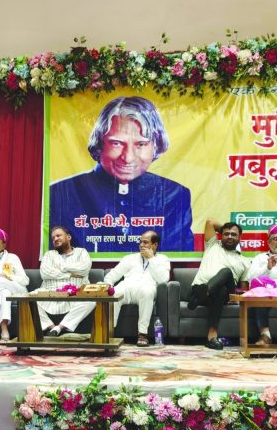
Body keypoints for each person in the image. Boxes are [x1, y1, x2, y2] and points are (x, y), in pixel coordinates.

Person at [48, 96, 193, 252]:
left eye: (141, 144)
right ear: (99, 143)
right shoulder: (60, 193)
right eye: (116, 143)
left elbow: (179, 255)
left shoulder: (175, 194)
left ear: (155, 146)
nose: (128, 157)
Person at [189, 218, 251, 350]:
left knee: (226, 272)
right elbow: (210, 221)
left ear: (239, 238)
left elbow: (244, 288)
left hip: (227, 294)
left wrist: (238, 300)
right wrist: (226, 228)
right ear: (221, 235)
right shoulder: (212, 245)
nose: (230, 236)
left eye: (233, 234)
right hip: (199, 289)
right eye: (226, 234)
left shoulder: (245, 261)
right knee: (220, 290)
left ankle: (204, 292)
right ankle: (212, 337)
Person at [100, 230, 171, 347]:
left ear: (154, 245)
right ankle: (109, 332)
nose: (141, 245)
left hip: (147, 287)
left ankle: (142, 334)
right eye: (140, 242)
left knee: (147, 292)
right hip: (127, 287)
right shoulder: (130, 258)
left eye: (145, 242)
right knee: (113, 293)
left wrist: (151, 258)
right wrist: (108, 285)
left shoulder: (162, 259)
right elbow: (112, 275)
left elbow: (163, 279)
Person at [36, 226, 95, 336]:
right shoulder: (49, 254)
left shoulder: (81, 252)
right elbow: (45, 273)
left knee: (91, 301)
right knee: (27, 300)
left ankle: (60, 327)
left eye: (58, 236)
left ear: (68, 237)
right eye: (53, 238)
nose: (55, 239)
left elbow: (84, 269)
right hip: (50, 292)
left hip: (76, 293)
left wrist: (61, 267)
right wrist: (70, 274)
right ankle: (51, 327)